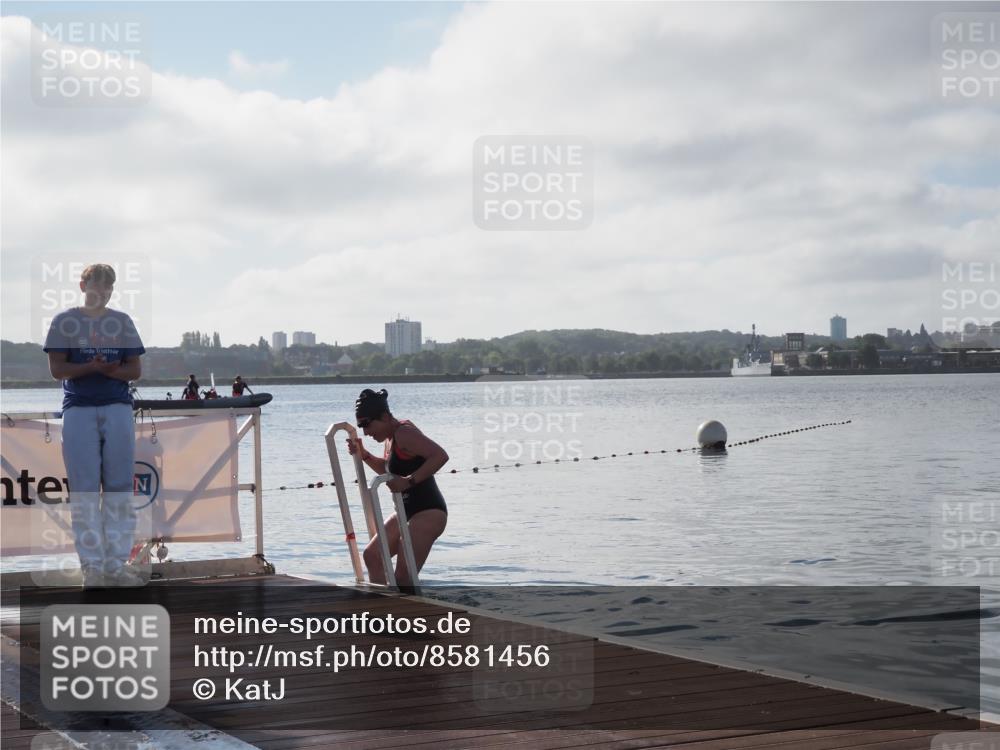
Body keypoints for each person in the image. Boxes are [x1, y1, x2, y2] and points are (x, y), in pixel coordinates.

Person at [43, 263, 146, 587]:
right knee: (85, 490)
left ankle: (116, 566)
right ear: (82, 285)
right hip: (79, 410)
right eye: (96, 286)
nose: (102, 293)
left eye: (108, 288)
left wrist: (111, 371)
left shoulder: (122, 322)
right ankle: (92, 568)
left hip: (117, 408)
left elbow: (135, 371)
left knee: (118, 488)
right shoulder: (64, 321)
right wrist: (91, 367)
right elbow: (57, 369)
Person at [346, 388, 448, 586]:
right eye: (361, 426)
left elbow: (440, 455)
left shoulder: (404, 433)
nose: (365, 432)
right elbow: (389, 472)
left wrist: (409, 480)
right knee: (372, 556)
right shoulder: (390, 438)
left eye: (367, 424)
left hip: (428, 512)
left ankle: (409, 614)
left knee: (403, 576)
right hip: (405, 511)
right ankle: (385, 611)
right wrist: (364, 454)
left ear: (384, 416)